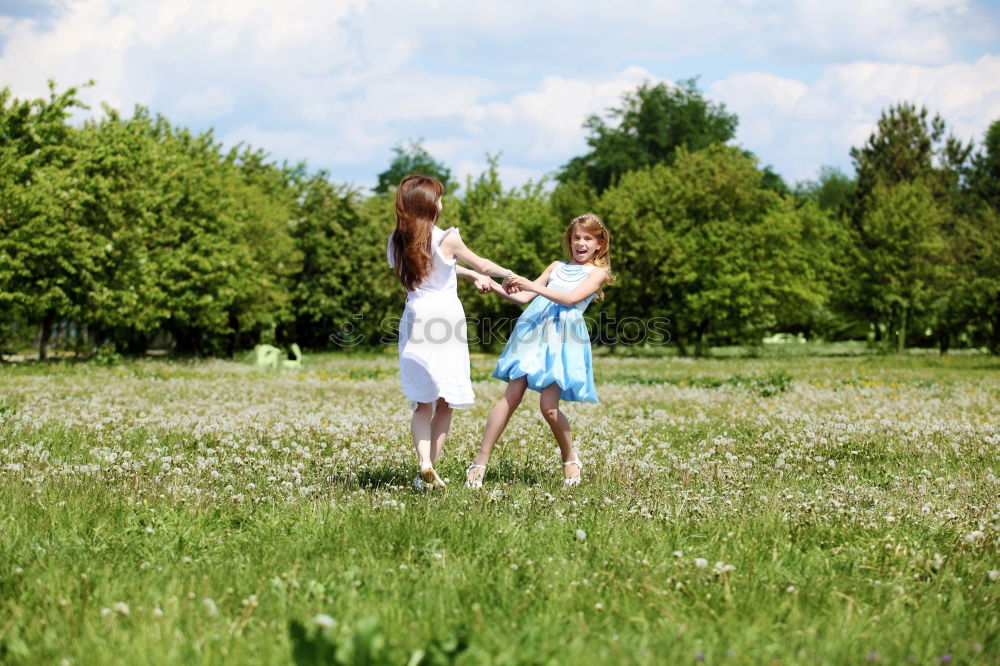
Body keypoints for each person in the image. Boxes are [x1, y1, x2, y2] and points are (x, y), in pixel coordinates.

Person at [465, 213, 614, 489]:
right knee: (511, 395)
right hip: (533, 332)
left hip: (562, 339)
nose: (580, 243)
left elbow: (570, 299)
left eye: (587, 238)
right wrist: (492, 284)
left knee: (549, 408)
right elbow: (522, 297)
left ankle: (570, 457)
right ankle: (480, 462)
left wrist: (531, 285)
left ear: (599, 244)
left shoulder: (597, 273)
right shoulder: (556, 266)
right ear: (569, 241)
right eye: (576, 238)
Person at [388, 175, 515, 490]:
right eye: (439, 198)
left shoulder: (397, 240)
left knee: (422, 402)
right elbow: (484, 264)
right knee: (446, 400)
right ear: (430, 205)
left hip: (416, 318)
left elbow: (434, 265)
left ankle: (424, 466)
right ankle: (426, 471)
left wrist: (467, 274)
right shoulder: (448, 239)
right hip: (444, 321)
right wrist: (510, 274)